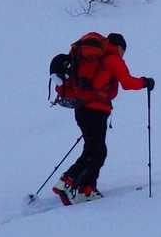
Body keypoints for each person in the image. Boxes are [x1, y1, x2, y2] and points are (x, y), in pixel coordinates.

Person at [52, 32, 154, 204]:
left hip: (81, 107)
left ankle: (87, 188)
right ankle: (68, 181)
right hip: (96, 110)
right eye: (123, 51)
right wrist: (145, 82)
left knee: (95, 150)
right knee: (96, 151)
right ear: (119, 47)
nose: (123, 54)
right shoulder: (113, 59)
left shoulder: (92, 58)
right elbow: (127, 83)